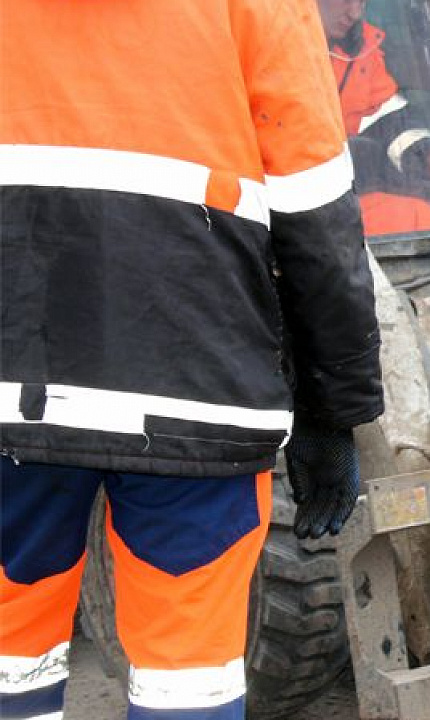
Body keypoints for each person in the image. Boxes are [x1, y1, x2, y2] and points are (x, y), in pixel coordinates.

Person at [0, 1, 384, 719]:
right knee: (189, 678)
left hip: (11, 383)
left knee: (6, 660)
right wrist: (333, 412)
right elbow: (316, 217)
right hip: (196, 392)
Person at [317, 0, 430, 235]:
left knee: (425, 221)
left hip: (355, 198)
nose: (355, 13)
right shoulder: (265, 51)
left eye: (362, 2)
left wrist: (427, 153)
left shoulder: (362, 51)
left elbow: (387, 119)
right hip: (291, 212)